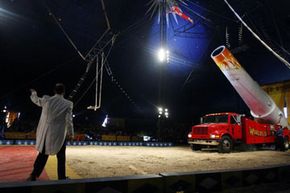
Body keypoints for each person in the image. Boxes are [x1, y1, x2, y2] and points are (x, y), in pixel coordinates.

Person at [27, 83, 74, 181]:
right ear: (64, 92)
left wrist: (34, 92)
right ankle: (61, 178)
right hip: (60, 135)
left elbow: (36, 100)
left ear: (54, 91)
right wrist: (71, 133)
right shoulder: (68, 104)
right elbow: (69, 120)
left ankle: (33, 175)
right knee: (61, 157)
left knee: (42, 155)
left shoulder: (46, 100)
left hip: (46, 134)